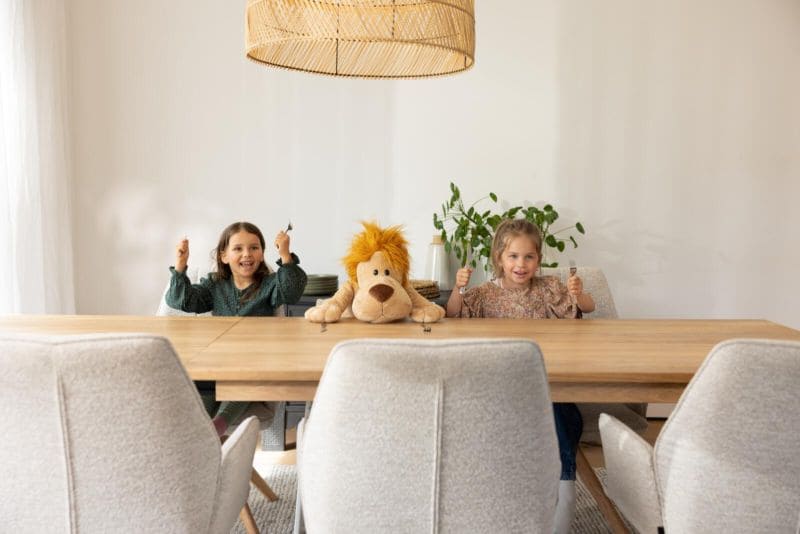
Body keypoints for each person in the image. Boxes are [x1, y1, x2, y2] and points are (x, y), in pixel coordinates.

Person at [446, 218, 595, 534]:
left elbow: (587, 310)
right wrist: (459, 288)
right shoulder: (484, 294)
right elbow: (453, 315)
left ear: (538, 259)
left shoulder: (549, 289)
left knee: (563, 420)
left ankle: (562, 502)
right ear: (499, 257)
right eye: (513, 256)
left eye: (528, 257)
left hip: (547, 388)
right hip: (499, 393)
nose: (520, 264)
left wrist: (578, 294)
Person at [166, 221, 307, 436]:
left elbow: (291, 291)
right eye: (238, 248)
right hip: (218, 361)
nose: (247, 254)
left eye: (254, 248)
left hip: (253, 362)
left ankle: (218, 425)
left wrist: (286, 256)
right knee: (202, 388)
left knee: (242, 381)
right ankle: (200, 431)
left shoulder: (270, 285)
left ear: (262, 253)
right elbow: (181, 300)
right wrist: (180, 266)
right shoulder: (214, 285)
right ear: (224, 256)